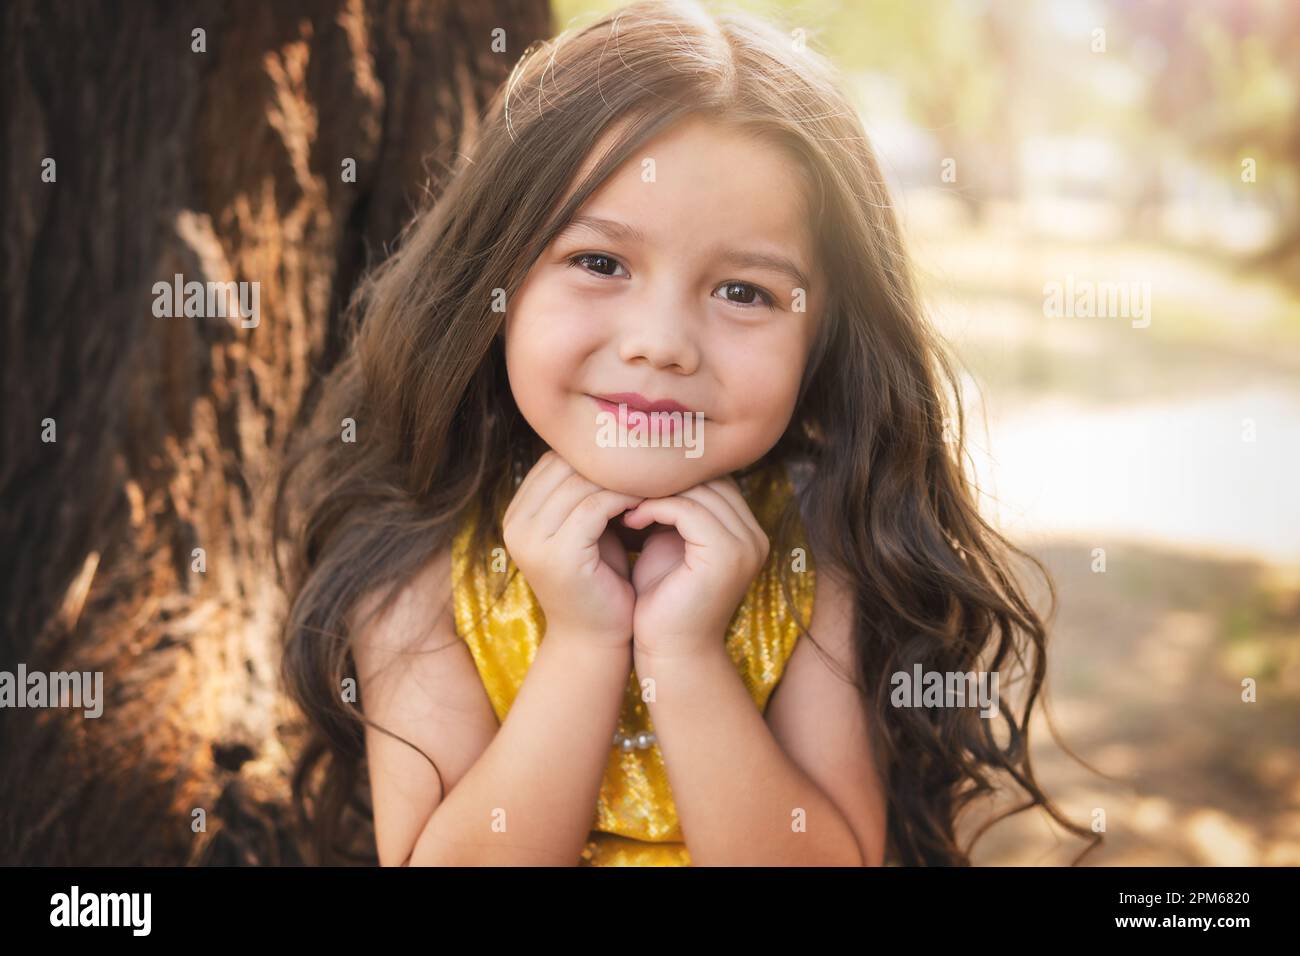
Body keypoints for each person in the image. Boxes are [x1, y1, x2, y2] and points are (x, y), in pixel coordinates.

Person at [275, 0, 1099, 867]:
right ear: (497, 276)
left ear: (824, 340)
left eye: (743, 292)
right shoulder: (418, 554)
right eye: (600, 263)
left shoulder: (817, 550)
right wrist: (586, 644)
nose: (661, 343)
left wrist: (686, 652)